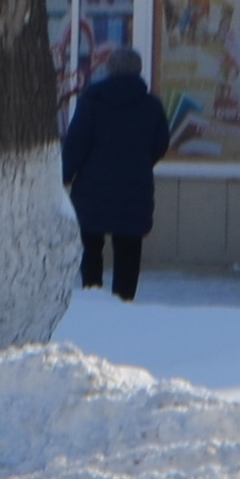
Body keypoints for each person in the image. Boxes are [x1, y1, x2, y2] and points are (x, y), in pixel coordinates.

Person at [60, 42, 169, 299]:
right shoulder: (151, 106)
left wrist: (63, 176)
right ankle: (124, 301)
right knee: (129, 248)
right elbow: (161, 144)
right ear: (138, 71)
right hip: (134, 191)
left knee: (90, 246)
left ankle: (92, 294)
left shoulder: (92, 101)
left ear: (109, 69)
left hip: (91, 191)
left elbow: (76, 143)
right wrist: (141, 164)